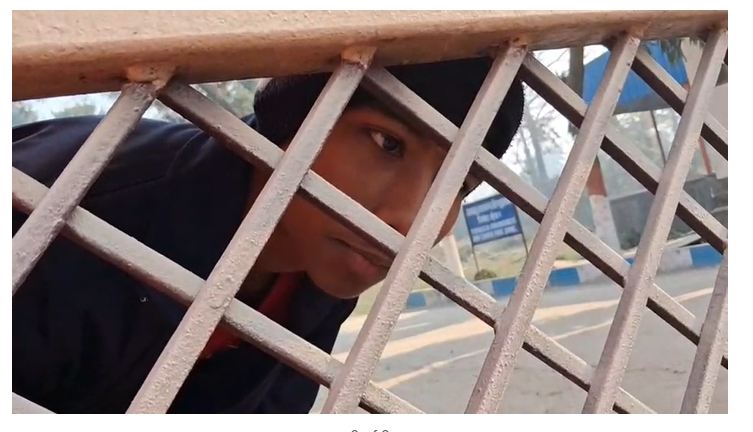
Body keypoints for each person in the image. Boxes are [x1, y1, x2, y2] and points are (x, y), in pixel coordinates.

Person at [12, 57, 525, 414]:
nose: (411, 221)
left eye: (458, 185)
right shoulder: (73, 219)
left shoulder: (325, 261)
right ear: (292, 121)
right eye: (387, 144)